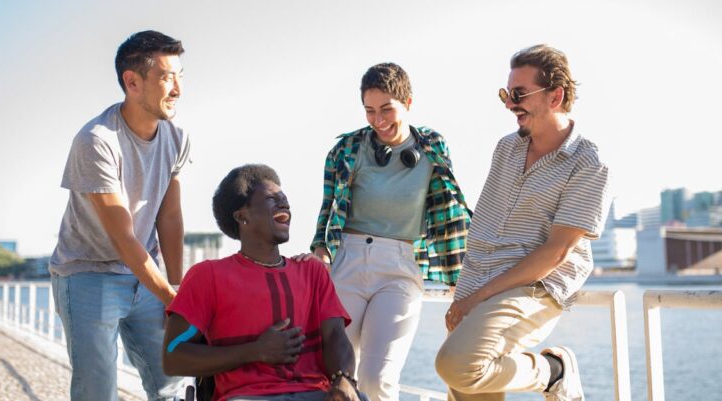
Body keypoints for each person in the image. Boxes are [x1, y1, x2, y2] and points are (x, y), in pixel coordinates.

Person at [434, 44, 610, 401]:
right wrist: (465, 290)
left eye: (519, 94)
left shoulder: (588, 163)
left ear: (555, 96)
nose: (510, 104)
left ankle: (552, 372)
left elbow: (556, 252)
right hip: (478, 281)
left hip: (533, 287)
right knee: (466, 385)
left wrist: (476, 299)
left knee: (457, 365)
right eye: (506, 94)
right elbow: (485, 225)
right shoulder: (505, 149)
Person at [308, 62, 471, 401]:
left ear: (407, 103)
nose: (378, 120)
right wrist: (320, 254)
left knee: (378, 378)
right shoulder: (346, 150)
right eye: (369, 111)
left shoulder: (433, 148)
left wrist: (463, 281)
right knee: (333, 374)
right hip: (347, 265)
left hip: (399, 268)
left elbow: (449, 214)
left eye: (386, 109)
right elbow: (328, 213)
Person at [48, 30, 189, 401]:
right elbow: (122, 236)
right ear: (133, 82)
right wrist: (171, 297)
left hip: (146, 276)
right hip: (87, 274)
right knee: (97, 391)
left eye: (180, 76)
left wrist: (176, 287)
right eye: (166, 77)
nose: (177, 89)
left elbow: (169, 216)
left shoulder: (177, 137)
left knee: (170, 385)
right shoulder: (97, 140)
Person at [163, 164, 364, 401]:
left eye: (284, 198)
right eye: (271, 198)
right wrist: (255, 351)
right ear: (242, 216)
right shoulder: (207, 276)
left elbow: (335, 337)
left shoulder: (312, 272)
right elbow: (173, 357)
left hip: (316, 394)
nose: (284, 204)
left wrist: (344, 380)